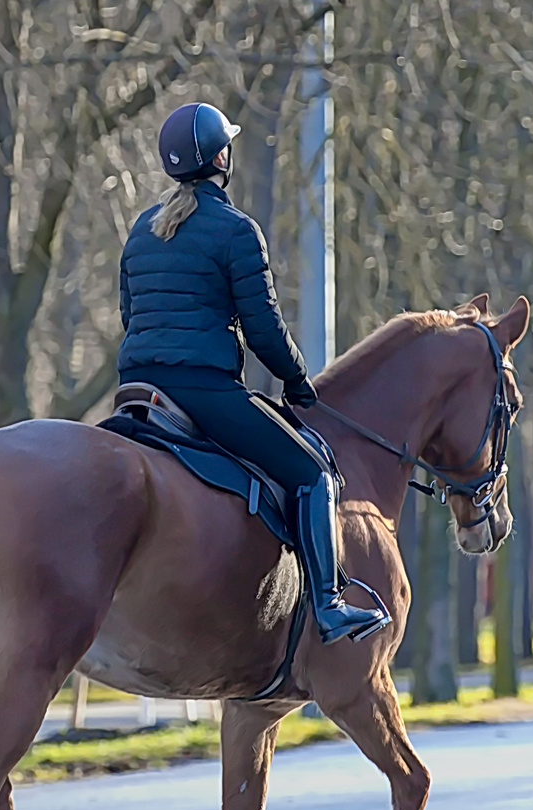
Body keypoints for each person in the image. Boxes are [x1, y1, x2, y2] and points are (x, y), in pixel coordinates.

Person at [116, 102, 390, 644]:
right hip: (202, 391)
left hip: (139, 391)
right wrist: (296, 378)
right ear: (223, 156)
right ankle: (330, 605)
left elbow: (131, 315)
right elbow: (263, 328)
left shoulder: (142, 230)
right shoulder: (236, 230)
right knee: (312, 473)